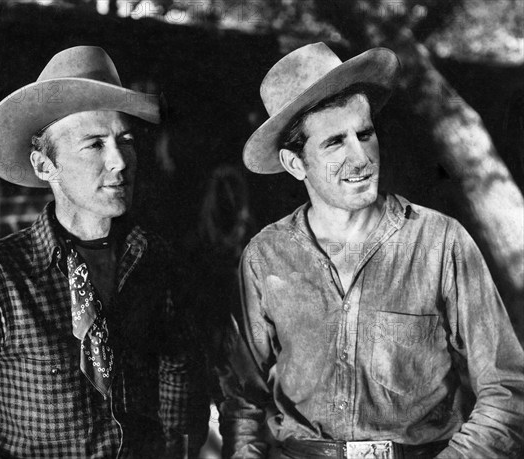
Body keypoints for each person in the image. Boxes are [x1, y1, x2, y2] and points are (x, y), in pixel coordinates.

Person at [220, 42, 524, 458]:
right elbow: (242, 398)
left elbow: (507, 389)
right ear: (295, 164)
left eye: (364, 134)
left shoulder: (440, 243)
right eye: (335, 143)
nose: (361, 157)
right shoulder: (265, 257)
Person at [0, 46, 209, 458]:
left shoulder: (158, 261)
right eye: (94, 144)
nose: (120, 161)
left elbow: (181, 392)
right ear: (44, 166)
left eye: (125, 140)